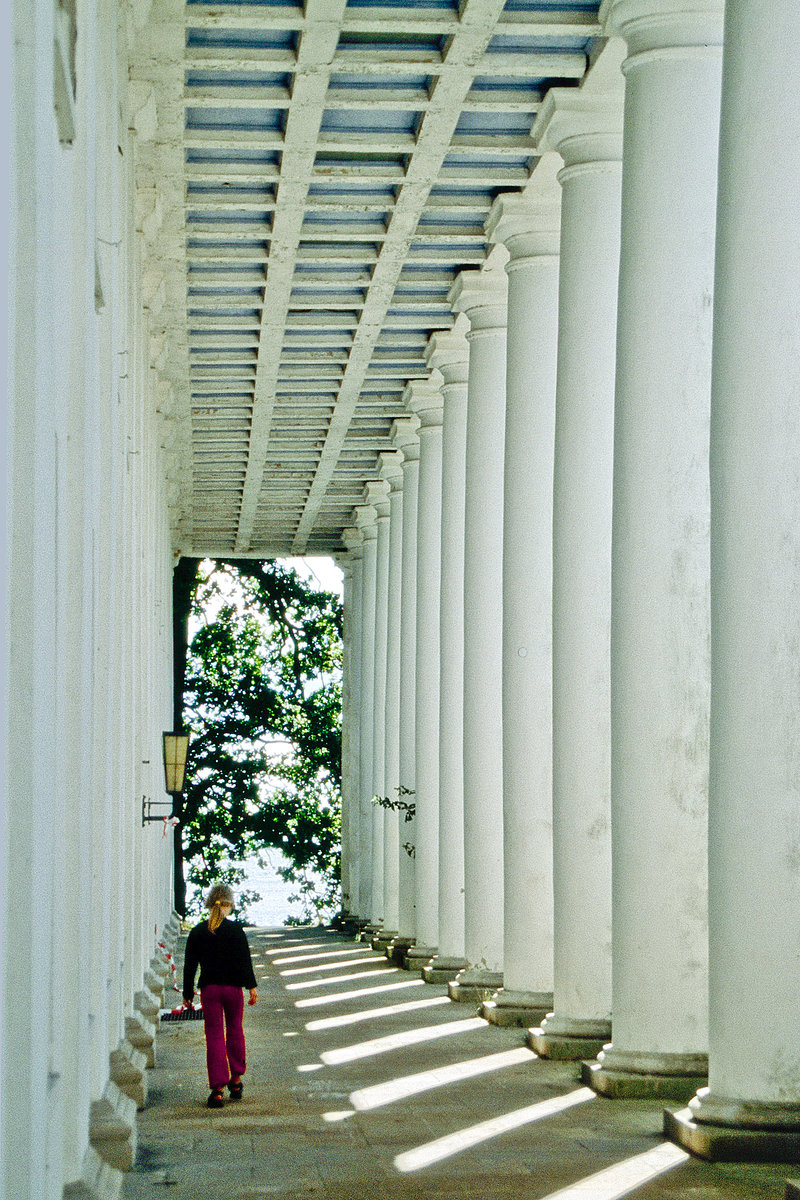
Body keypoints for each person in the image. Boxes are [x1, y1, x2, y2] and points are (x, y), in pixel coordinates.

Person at [182, 883, 258, 1108]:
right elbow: (245, 961)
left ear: (209, 904)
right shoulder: (236, 931)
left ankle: (217, 1089)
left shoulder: (197, 932)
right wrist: (251, 987)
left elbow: (190, 966)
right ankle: (236, 1080)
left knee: (214, 1035)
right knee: (235, 1030)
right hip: (233, 989)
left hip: (210, 990)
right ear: (229, 905)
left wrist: (187, 994)